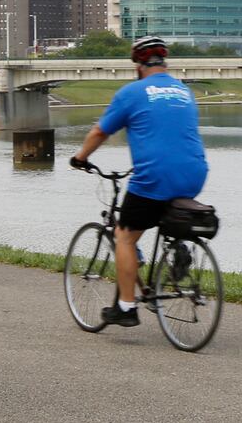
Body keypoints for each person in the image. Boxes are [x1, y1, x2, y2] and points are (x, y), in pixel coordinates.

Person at [70, 37, 208, 327]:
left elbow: (99, 132)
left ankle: (126, 306)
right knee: (164, 212)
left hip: (154, 175)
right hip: (194, 173)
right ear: (164, 62)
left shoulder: (132, 92)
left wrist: (80, 158)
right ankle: (178, 247)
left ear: (138, 64)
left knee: (125, 236)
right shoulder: (184, 91)